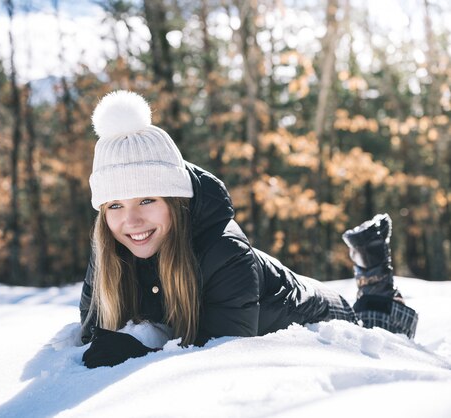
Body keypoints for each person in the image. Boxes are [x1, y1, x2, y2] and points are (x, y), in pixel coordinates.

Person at [79, 90, 418, 369]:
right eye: (116, 206)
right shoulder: (108, 252)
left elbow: (227, 357)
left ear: (176, 202)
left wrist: (140, 358)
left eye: (147, 200)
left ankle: (375, 272)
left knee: (378, 327)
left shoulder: (224, 253)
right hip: (269, 289)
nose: (131, 221)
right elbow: (92, 331)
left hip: (315, 311)